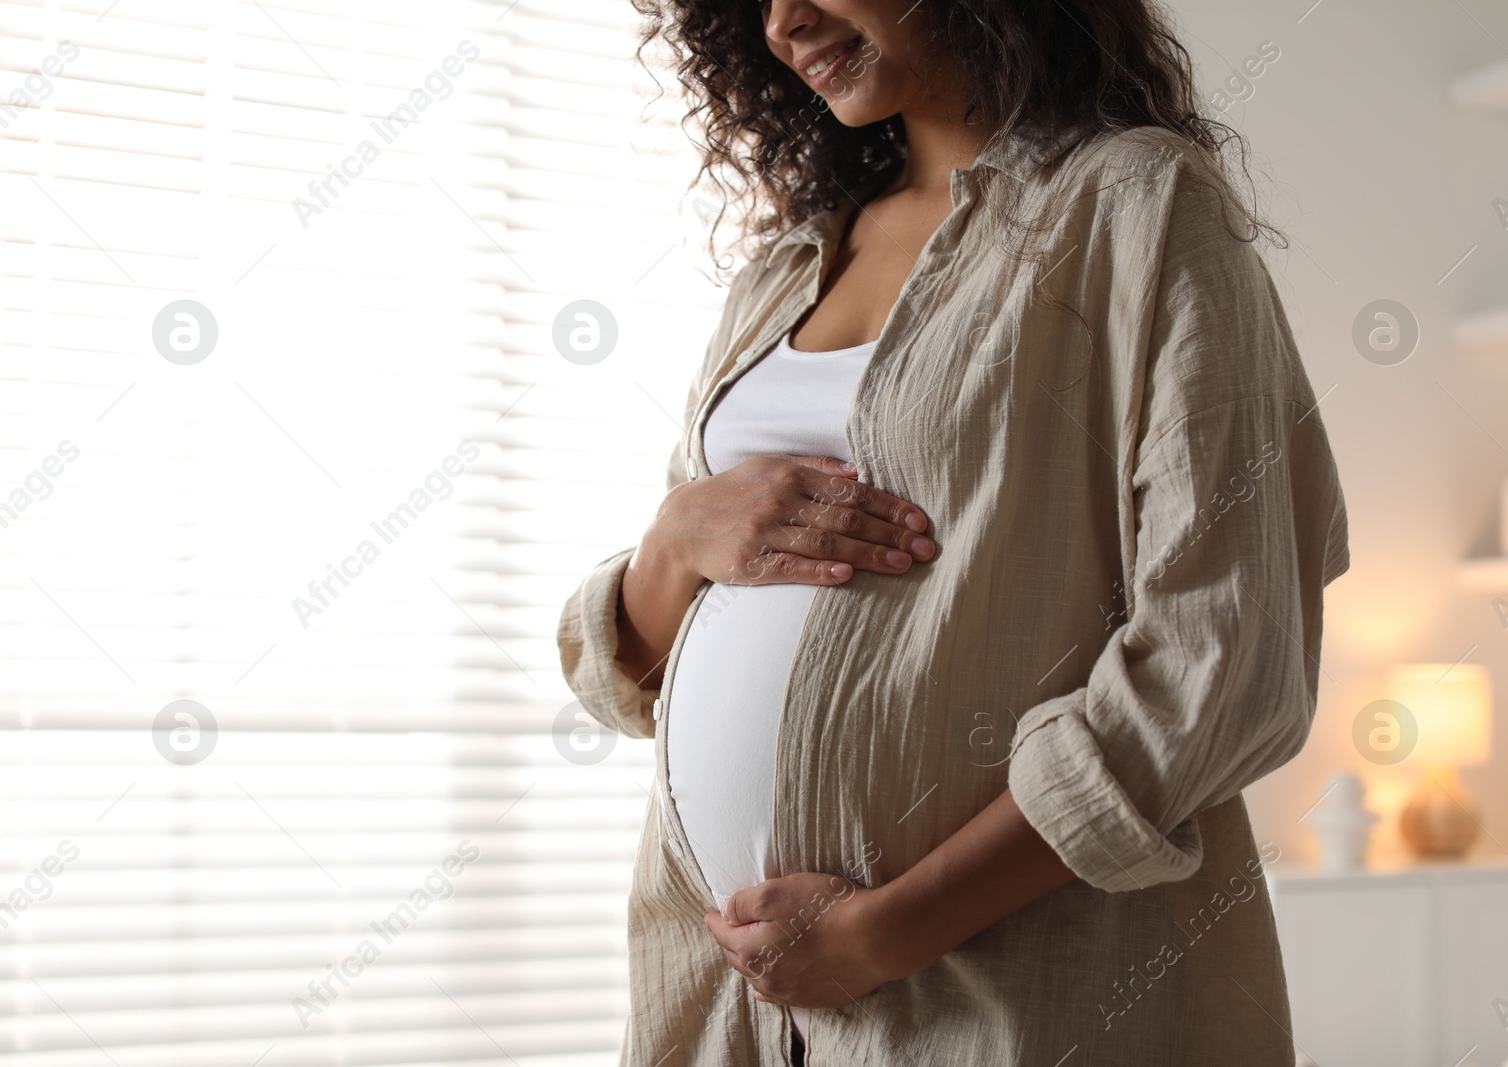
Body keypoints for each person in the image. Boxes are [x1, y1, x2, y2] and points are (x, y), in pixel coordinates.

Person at [558, 1, 1349, 1064]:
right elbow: (632, 675)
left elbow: (1224, 653)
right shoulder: (784, 267)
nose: (785, 20)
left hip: (1010, 995)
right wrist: (669, 543)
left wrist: (885, 932)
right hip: (724, 1000)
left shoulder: (1132, 204)